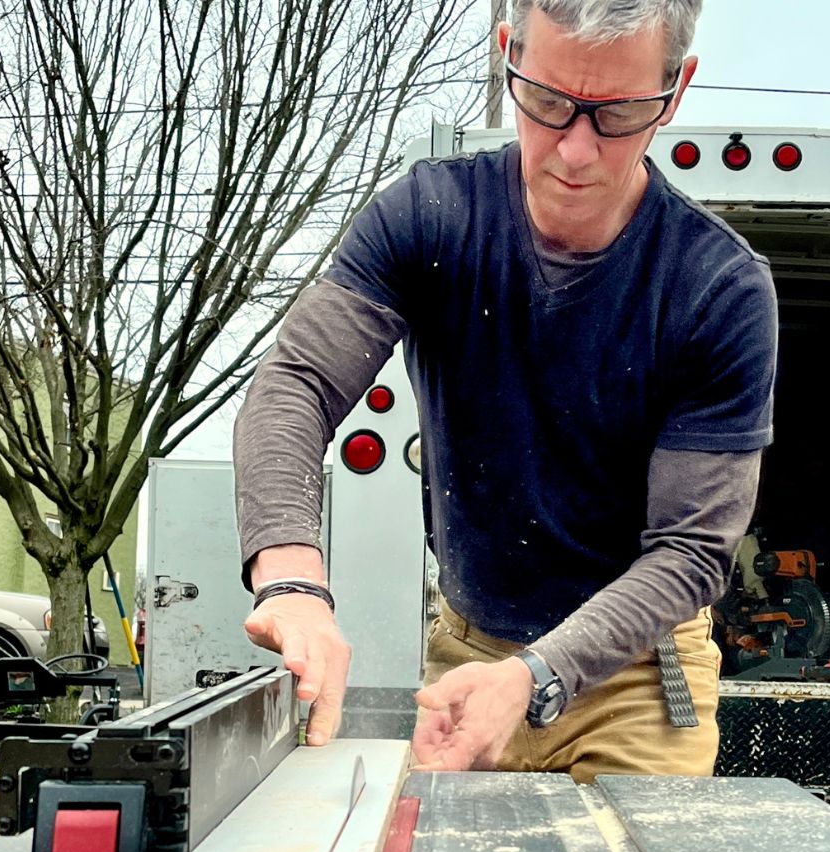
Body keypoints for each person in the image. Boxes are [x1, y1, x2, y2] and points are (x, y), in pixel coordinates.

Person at [233, 0, 776, 782]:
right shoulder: (428, 214)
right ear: (507, 55)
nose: (576, 151)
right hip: (469, 648)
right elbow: (296, 385)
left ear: (676, 90)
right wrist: (291, 581)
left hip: (638, 673)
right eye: (549, 102)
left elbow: (690, 551)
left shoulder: (716, 288)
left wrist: (532, 676)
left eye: (618, 114)